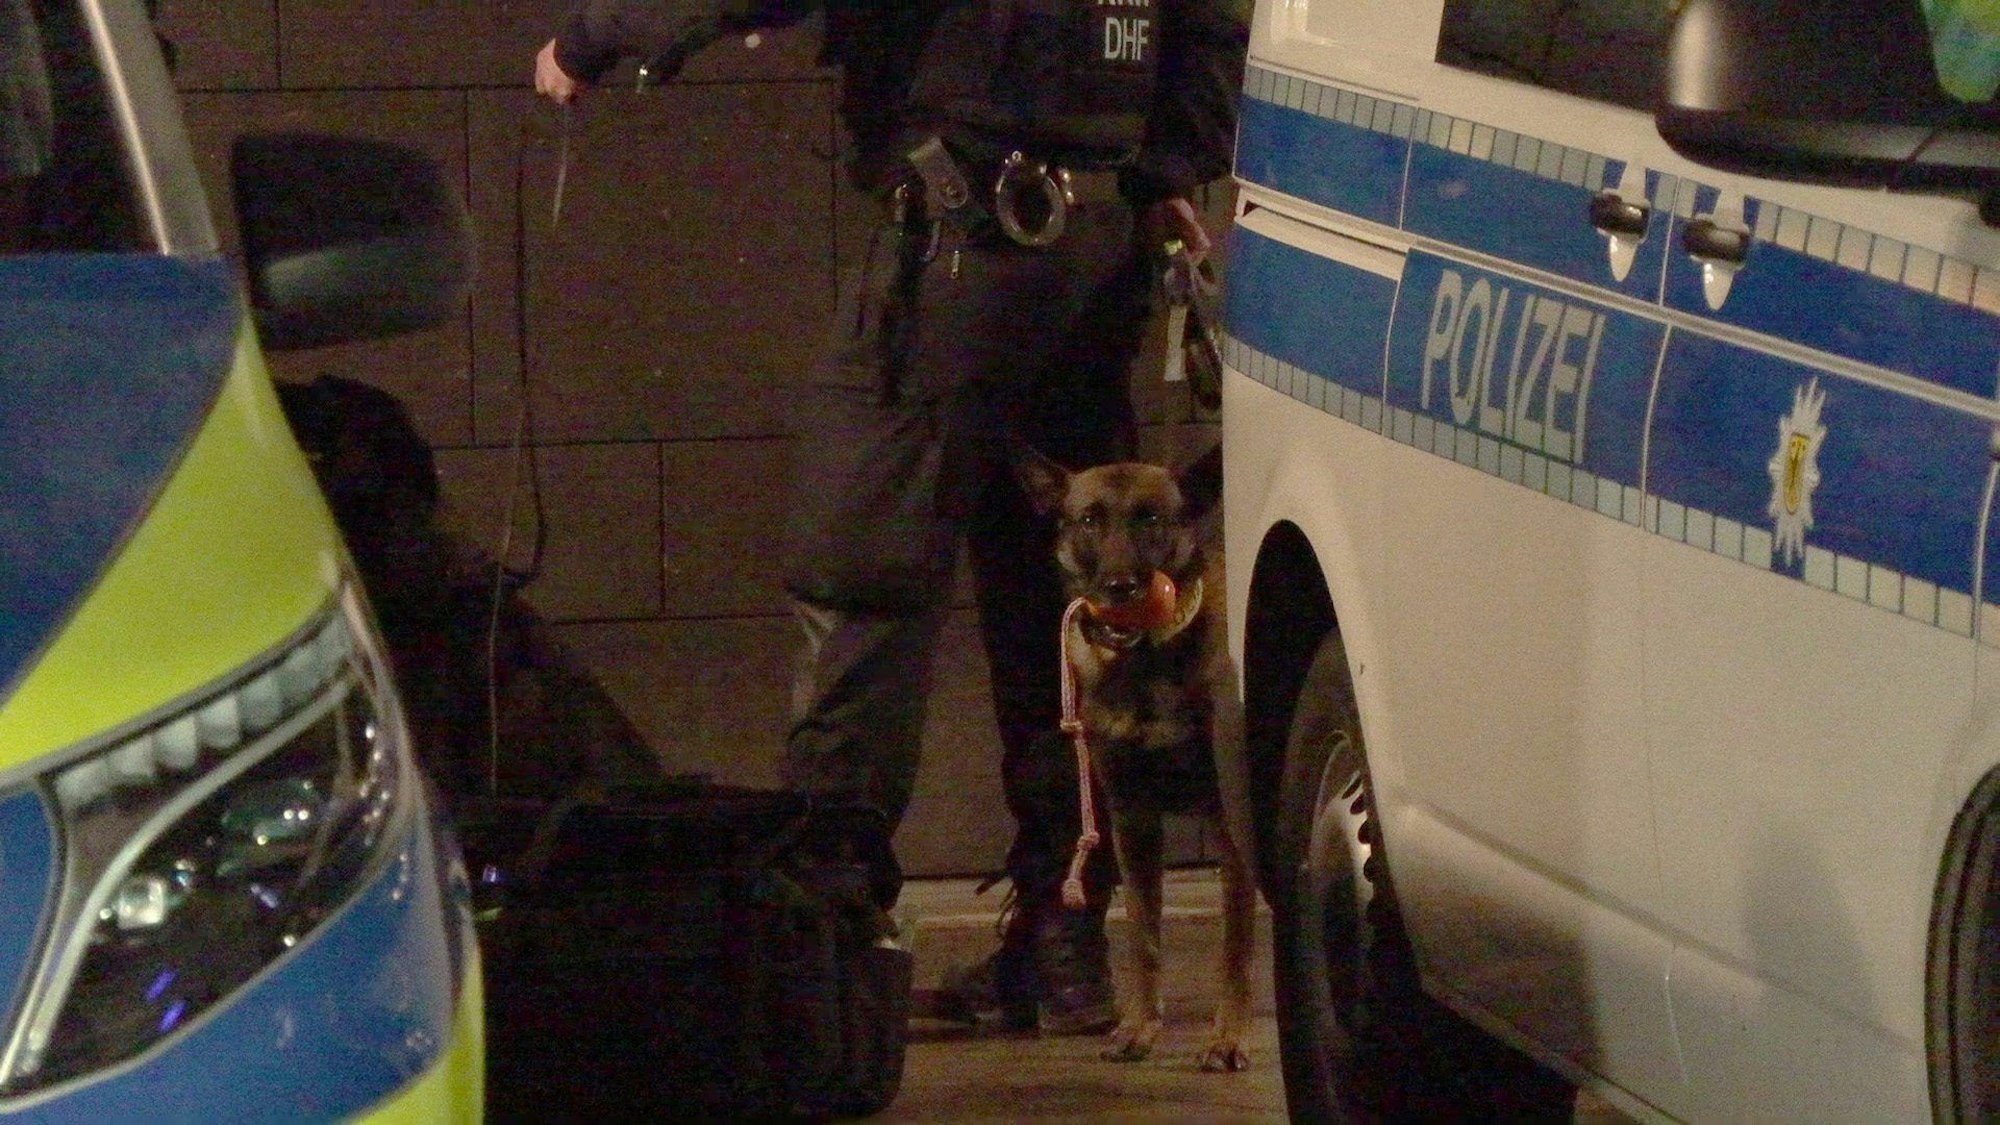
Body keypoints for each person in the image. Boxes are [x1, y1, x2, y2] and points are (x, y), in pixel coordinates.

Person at [533, 0, 1246, 1035]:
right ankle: (1064, 939)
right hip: (1096, 249)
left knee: (859, 575)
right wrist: (1169, 171)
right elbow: (1212, 24)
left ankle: (824, 958)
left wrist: (591, 39)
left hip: (956, 238)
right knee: (1068, 588)